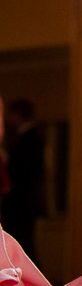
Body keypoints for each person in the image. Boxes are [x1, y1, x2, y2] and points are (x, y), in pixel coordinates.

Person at [1, 98, 46, 259]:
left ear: (18, 115)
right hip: (20, 203)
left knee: (22, 246)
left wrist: (8, 161)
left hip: (22, 203)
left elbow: (28, 171)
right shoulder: (23, 137)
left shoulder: (31, 137)